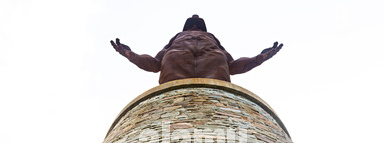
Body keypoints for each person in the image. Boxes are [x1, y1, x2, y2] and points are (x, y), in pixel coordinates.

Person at [111, 15, 283, 84]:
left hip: (214, 75)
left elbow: (233, 65)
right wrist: (131, 56)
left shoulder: (214, 40)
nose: (194, 22)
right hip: (175, 75)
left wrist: (258, 58)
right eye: (192, 23)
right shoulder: (175, 39)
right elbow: (155, 64)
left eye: (197, 24)